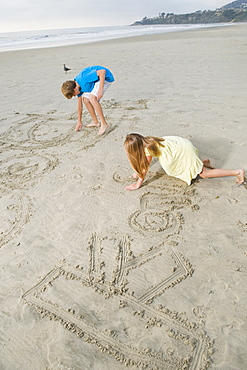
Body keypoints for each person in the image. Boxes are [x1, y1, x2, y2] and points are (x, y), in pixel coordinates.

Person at [124, 133, 245, 191]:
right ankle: (202, 163)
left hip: (183, 151)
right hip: (180, 144)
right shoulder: (148, 140)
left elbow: (145, 167)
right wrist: (136, 172)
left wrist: (138, 184)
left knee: (204, 174)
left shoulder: (147, 149)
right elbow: (143, 164)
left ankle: (237, 172)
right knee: (185, 165)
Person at [61, 65, 114, 135]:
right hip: (96, 81)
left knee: (92, 98)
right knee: (86, 100)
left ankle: (104, 124)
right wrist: (79, 122)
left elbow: (102, 72)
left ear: (74, 89)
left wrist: (100, 90)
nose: (75, 96)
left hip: (106, 78)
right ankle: (96, 122)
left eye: (74, 94)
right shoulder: (78, 88)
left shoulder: (84, 79)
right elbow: (79, 106)